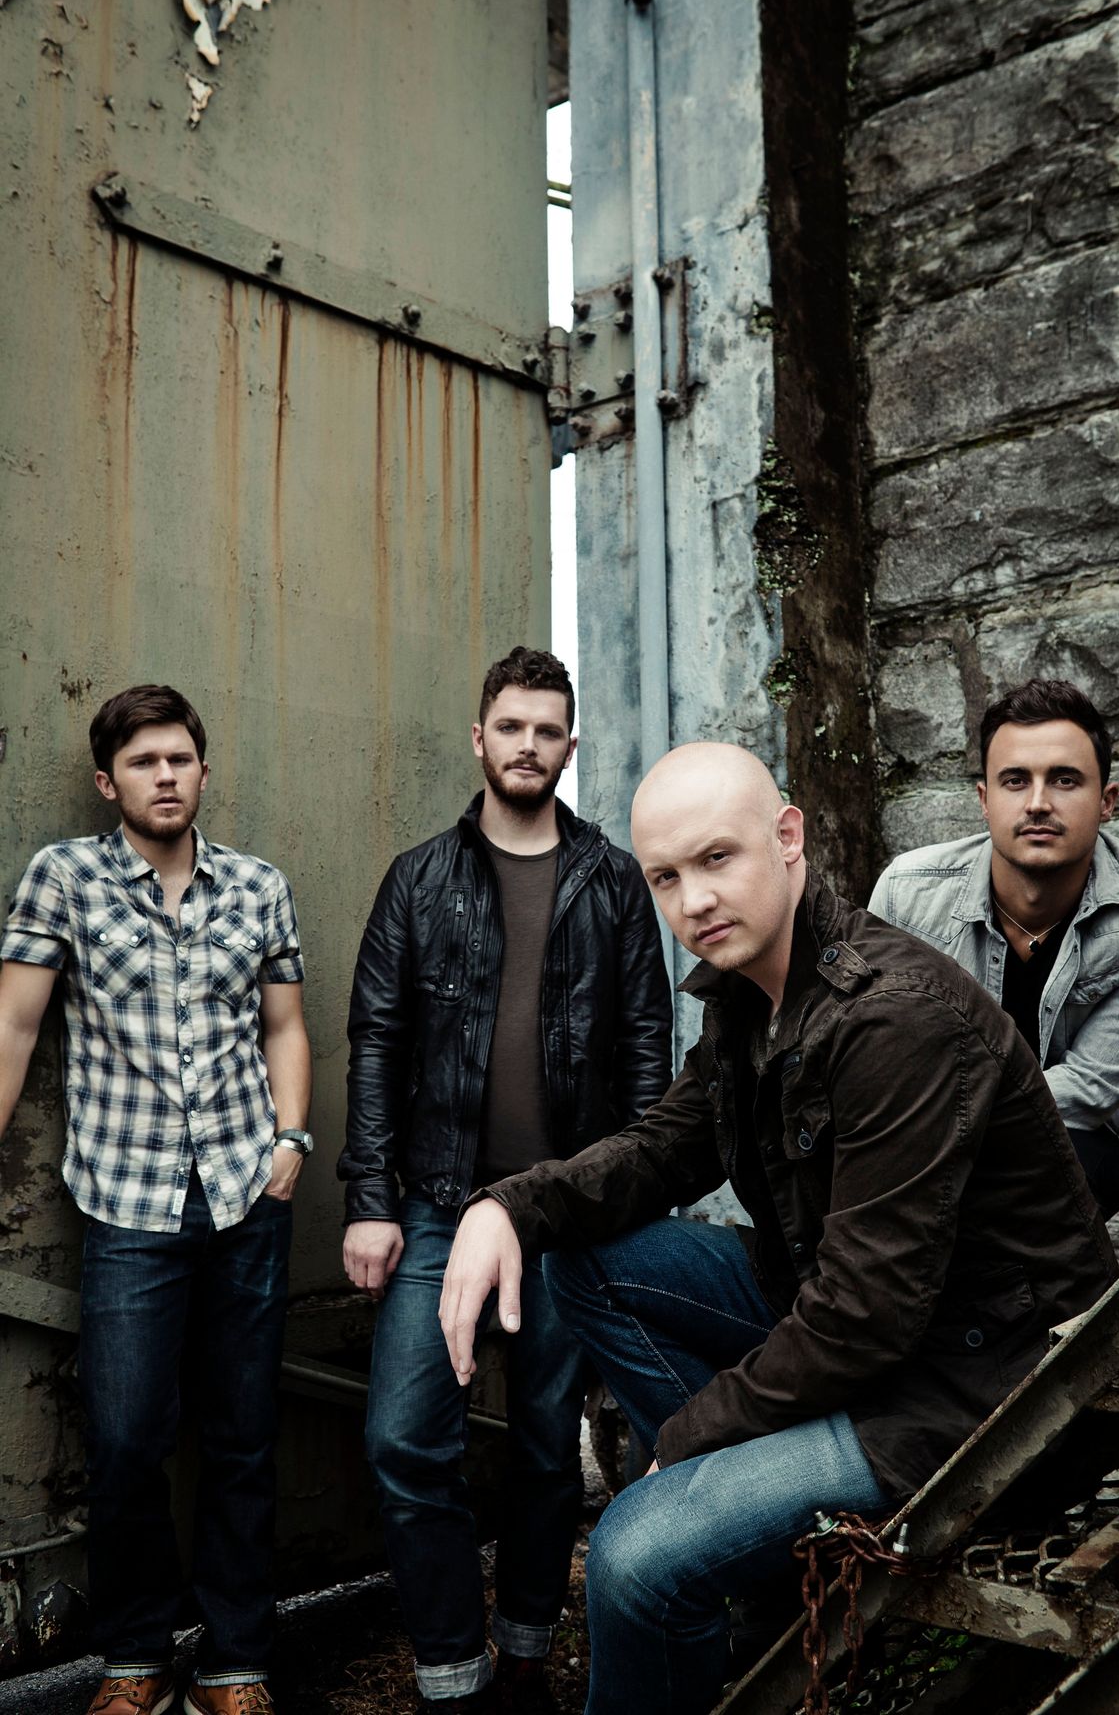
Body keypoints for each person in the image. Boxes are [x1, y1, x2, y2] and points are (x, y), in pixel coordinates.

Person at [438, 741, 1119, 1715]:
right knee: (583, 1260)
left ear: (788, 837)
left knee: (633, 1551)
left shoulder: (893, 1022)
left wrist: (686, 1442)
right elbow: (660, 1152)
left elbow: (864, 1316)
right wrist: (505, 1207)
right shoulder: (751, 996)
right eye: (666, 878)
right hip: (863, 1326)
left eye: (718, 858)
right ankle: (748, 1568)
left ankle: (707, 1549)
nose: (694, 901)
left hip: (975, 1398)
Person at [339, 646, 672, 1714]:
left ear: (570, 747)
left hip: (567, 1215)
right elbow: (377, 1044)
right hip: (439, 1204)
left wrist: (628, 1206)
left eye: (547, 731)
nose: (528, 746)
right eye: (511, 727)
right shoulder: (418, 878)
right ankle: (453, 1674)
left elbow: (647, 1052)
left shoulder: (613, 880)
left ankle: (526, 1654)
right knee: (404, 1438)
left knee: (543, 1446)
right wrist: (370, 1202)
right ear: (479, 738)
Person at [0, 685, 312, 1715]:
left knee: (242, 1438)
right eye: (143, 762)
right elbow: (14, 1026)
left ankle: (235, 1664)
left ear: (203, 772)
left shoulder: (258, 887)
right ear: (108, 782)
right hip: (128, 1203)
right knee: (128, 1440)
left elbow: (284, 1026)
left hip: (245, 1196)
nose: (165, 776)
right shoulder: (65, 879)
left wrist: (291, 1143)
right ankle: (133, 1660)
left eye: (179, 759)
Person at [869, 679, 1119, 1219]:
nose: (1038, 803)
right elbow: (880, 1056)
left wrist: (954, 1124)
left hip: (1074, 1136)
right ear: (985, 801)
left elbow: (1094, 1084)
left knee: (1057, 1168)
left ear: (1107, 801)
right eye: (1015, 780)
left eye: (1065, 780)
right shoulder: (906, 894)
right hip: (924, 1137)